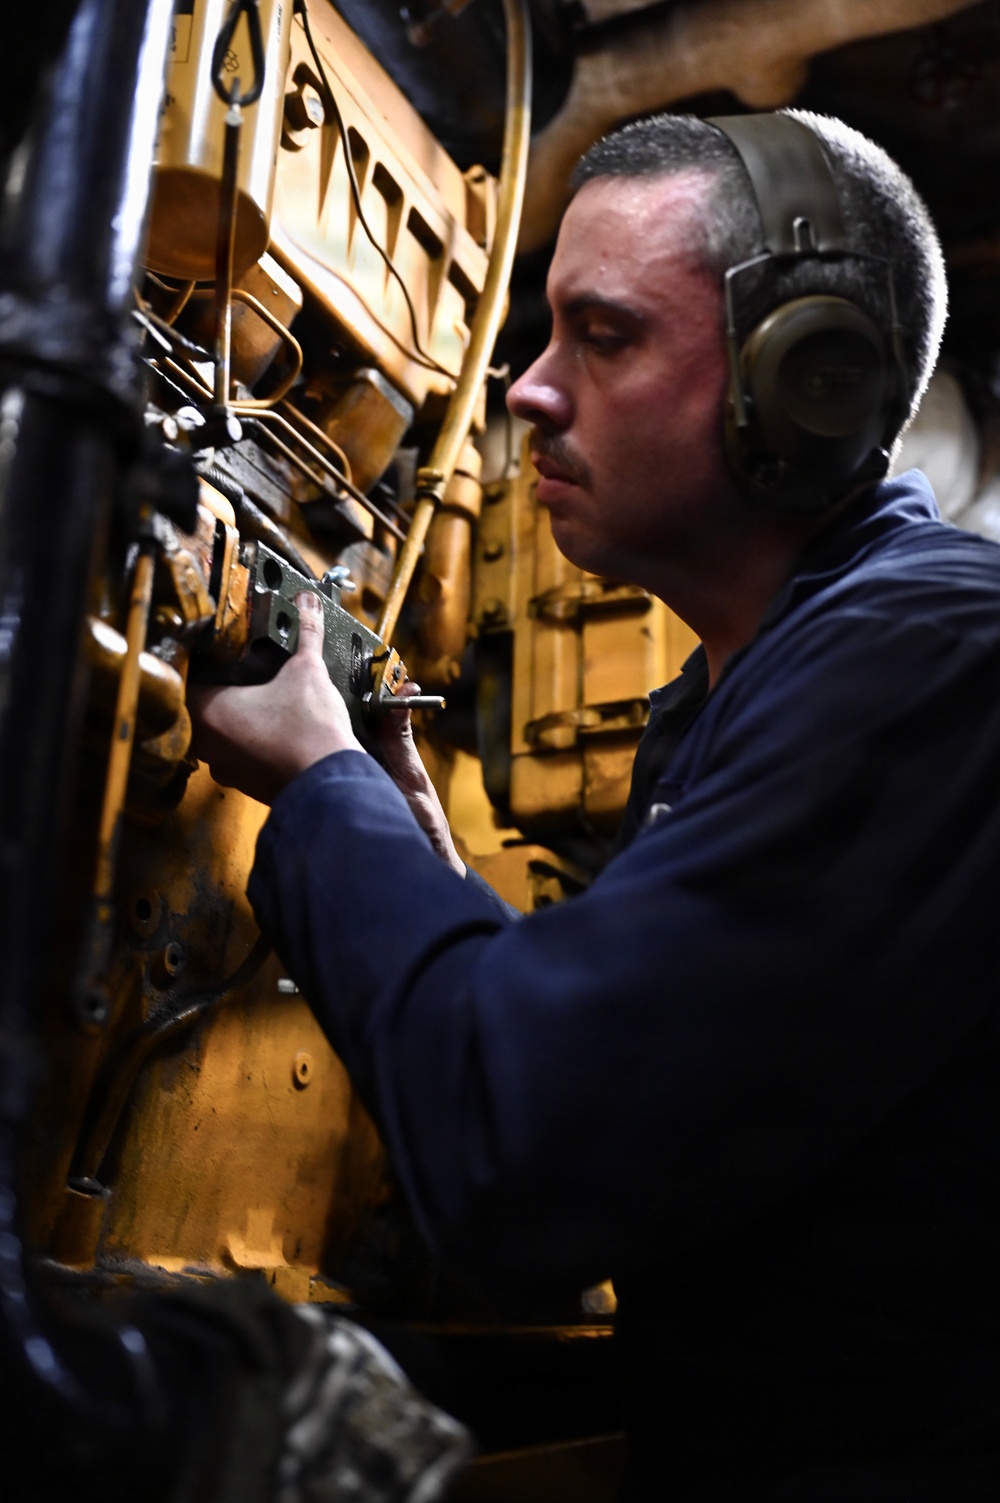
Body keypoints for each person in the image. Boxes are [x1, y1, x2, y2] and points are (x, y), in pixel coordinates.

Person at [190, 111, 1000, 1500]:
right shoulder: (736, 696)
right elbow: (635, 1098)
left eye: (602, 336)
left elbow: (527, 1158)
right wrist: (419, 869)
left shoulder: (939, 662)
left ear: (807, 379)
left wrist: (323, 795)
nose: (526, 390)